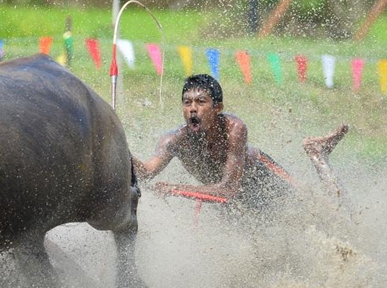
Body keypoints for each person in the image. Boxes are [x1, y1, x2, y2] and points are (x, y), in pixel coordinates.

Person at [132, 74, 349, 216]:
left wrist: (176, 189)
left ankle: (317, 154)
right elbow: (145, 172)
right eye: (187, 102)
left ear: (217, 108)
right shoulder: (174, 141)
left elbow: (227, 188)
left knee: (324, 214)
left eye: (201, 102)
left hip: (264, 179)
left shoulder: (234, 128)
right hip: (232, 201)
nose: (192, 109)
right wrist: (120, 151)